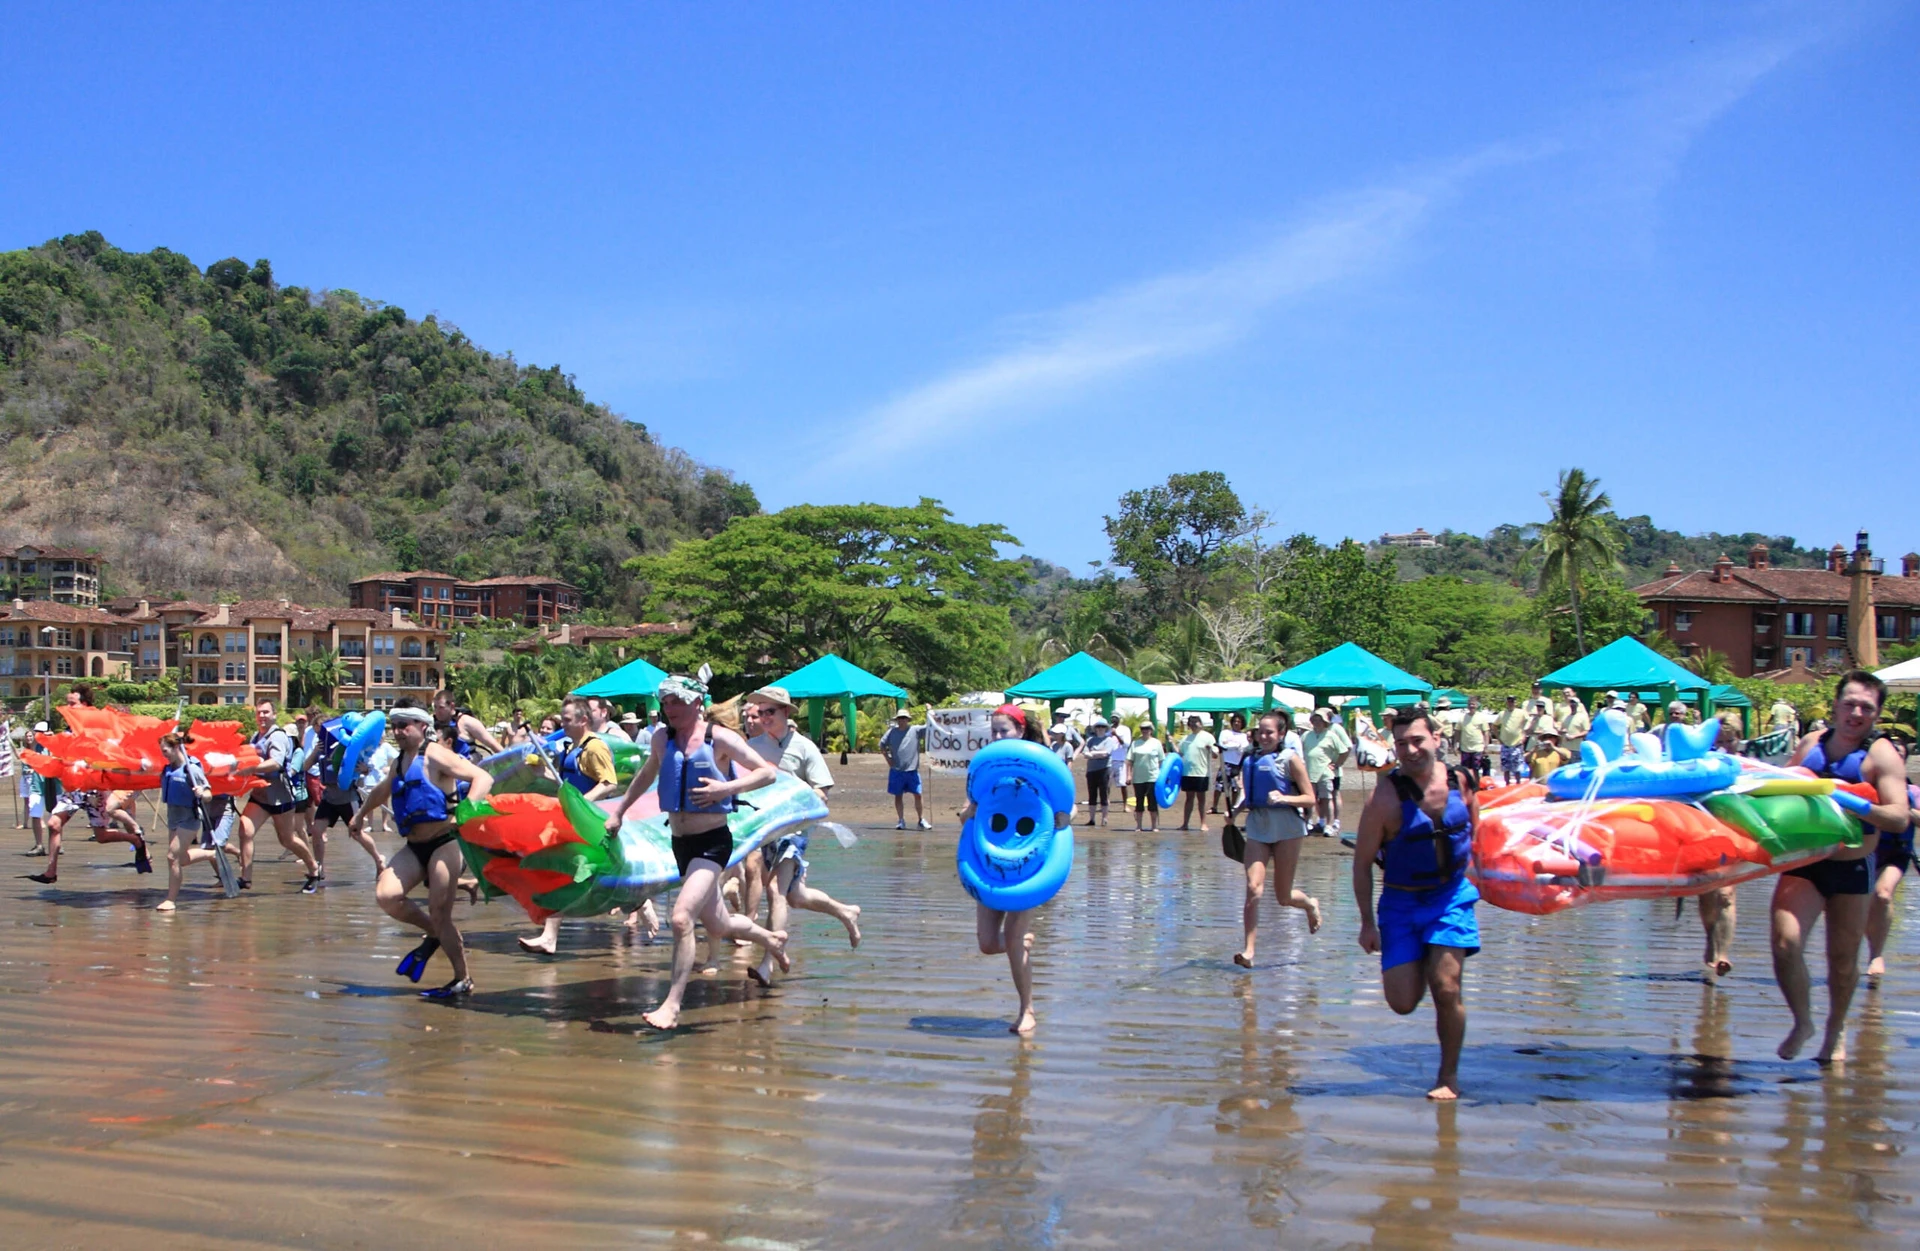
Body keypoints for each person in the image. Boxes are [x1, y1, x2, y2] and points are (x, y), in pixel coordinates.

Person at [604, 674, 788, 1030]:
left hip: (712, 842)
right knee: (718, 923)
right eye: (664, 702)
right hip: (680, 844)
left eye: (674, 701)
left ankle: (672, 1005)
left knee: (680, 917)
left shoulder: (718, 737)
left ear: (695, 703)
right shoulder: (662, 737)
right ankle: (772, 939)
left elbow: (767, 773)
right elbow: (646, 776)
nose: (667, 708)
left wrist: (726, 787)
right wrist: (620, 812)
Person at [1773, 671, 1910, 1063]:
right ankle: (1803, 1022)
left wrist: (1858, 804)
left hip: (1852, 868)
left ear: (1877, 714)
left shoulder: (1880, 755)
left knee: (1843, 959)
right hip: (1804, 862)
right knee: (1785, 944)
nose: (1855, 712)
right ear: (1835, 705)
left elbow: (1899, 818)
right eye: (1849, 703)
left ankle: (1835, 1031)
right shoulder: (1809, 745)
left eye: (1866, 707)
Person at [1352, 707, 1481, 1101]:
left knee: (1446, 988)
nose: (1410, 750)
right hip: (1401, 904)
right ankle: (1426, 956)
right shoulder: (1383, 800)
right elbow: (1360, 866)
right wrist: (1367, 924)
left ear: (1437, 739)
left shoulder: (1462, 781)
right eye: (1402, 743)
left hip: (1450, 898)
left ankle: (1448, 1077)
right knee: (1403, 1003)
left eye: (1417, 740)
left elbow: (1478, 834)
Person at [350, 698, 496, 999]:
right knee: (386, 896)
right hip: (415, 845)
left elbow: (483, 777)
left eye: (404, 725)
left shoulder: (436, 755)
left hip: (445, 842)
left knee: (441, 911)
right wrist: (360, 814)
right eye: (395, 726)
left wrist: (468, 809)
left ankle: (462, 979)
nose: (399, 731)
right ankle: (435, 933)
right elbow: (383, 790)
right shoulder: (399, 761)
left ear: (422, 726)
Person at [958, 704, 1068, 1034]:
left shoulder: (1040, 767)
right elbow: (966, 815)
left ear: (1020, 732)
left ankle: (1027, 1011)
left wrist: (1067, 819)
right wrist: (969, 811)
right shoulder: (988, 771)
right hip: (990, 864)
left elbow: (1067, 807)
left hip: (1030, 869)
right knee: (988, 944)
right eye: (993, 730)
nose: (997, 736)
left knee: (1015, 942)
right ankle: (1021, 941)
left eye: (1003, 730)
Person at [744, 685, 860, 985]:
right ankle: (845, 911)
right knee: (796, 896)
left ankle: (768, 962)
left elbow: (823, 791)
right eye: (761, 712)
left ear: (785, 712)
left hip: (794, 829)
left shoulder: (804, 747)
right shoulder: (752, 747)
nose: (764, 717)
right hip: (766, 830)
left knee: (776, 893)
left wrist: (804, 796)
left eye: (770, 711)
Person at [516, 697, 625, 955]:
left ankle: (642, 905)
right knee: (561, 873)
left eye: (566, 719)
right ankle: (549, 936)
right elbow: (565, 785)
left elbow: (609, 783)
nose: (561, 724)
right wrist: (540, 773)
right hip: (571, 820)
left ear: (583, 720)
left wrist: (581, 804)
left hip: (589, 821)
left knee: (575, 875)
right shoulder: (570, 747)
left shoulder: (594, 748)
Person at [1231, 709, 1321, 967]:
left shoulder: (1290, 759)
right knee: (1253, 889)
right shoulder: (1250, 759)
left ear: (1281, 733)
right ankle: (1249, 951)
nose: (1264, 736)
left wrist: (1285, 798)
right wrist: (1235, 812)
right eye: (1261, 731)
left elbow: (1310, 798)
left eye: (1270, 732)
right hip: (1258, 826)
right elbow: (1250, 796)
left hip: (1287, 828)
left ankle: (1310, 904)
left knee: (1283, 897)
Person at [236, 699, 322, 893]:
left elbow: (276, 763)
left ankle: (314, 869)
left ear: (274, 714)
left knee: (287, 839)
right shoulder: (255, 736)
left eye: (266, 712)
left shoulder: (278, 736)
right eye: (259, 712)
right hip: (260, 796)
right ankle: (245, 878)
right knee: (245, 830)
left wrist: (251, 768)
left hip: (280, 796)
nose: (262, 716)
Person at [305, 713, 384, 876]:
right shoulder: (320, 748)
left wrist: (364, 770)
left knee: (356, 833)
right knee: (317, 830)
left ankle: (378, 859)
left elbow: (367, 766)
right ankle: (318, 867)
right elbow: (305, 767)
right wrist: (314, 752)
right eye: (317, 732)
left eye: (321, 732)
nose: (320, 736)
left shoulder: (348, 744)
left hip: (347, 796)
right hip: (329, 795)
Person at [1866, 741, 1916, 981]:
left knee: (1883, 894)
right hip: (1866, 851)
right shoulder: (1865, 788)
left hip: (1896, 853)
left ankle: (1876, 955)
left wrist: (1902, 811)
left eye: (1899, 754)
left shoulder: (1913, 792)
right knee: (1858, 905)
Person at [155, 727, 220, 912]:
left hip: (189, 818)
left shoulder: (191, 769)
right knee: (181, 859)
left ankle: (171, 900)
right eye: (162, 751)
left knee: (172, 857)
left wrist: (202, 792)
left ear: (176, 748)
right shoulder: (167, 769)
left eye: (166, 751)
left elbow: (208, 794)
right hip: (173, 817)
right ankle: (210, 854)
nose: (164, 755)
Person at [1302, 709, 1352, 837]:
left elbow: (1345, 750)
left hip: (1325, 773)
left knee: (1327, 798)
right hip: (1308, 773)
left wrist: (1337, 764)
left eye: (1319, 719)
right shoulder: (1306, 735)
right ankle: (1307, 823)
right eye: (1314, 719)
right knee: (1309, 800)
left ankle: (1329, 825)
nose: (1316, 721)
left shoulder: (1331, 735)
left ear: (1325, 721)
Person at [880, 708, 928, 830]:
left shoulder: (915, 730)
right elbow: (882, 744)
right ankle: (901, 820)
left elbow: (930, 727)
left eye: (904, 718)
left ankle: (921, 819)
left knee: (918, 794)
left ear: (907, 720)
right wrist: (888, 758)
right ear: (897, 720)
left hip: (912, 770)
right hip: (897, 770)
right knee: (898, 795)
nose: (902, 721)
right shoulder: (892, 732)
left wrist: (929, 711)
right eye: (900, 718)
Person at [432, 690, 505, 761]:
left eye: (441, 707)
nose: (437, 711)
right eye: (435, 707)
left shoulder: (467, 722)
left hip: (468, 768)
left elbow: (495, 746)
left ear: (452, 706)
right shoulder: (431, 723)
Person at [1174, 716, 1217, 833]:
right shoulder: (1186, 738)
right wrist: (1171, 741)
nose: (1193, 725)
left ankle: (1203, 823)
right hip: (1187, 772)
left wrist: (1210, 749)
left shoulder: (1208, 737)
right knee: (1189, 798)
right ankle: (1185, 824)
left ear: (1200, 724)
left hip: (1202, 772)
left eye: (1195, 723)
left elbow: (1215, 755)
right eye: (1191, 724)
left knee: (1201, 799)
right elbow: (1179, 753)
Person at [1210, 713, 1250, 816]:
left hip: (1237, 764)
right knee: (1219, 786)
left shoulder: (1244, 736)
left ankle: (1233, 807)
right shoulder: (1225, 732)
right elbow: (1223, 745)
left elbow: (1243, 749)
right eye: (1235, 721)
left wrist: (1232, 745)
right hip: (1225, 762)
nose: (1237, 723)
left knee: (1235, 788)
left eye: (1239, 722)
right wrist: (1236, 746)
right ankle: (1214, 806)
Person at [1129, 723, 1165, 832]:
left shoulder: (1156, 743)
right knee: (1139, 802)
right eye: (1143, 729)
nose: (1145, 730)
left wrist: (1163, 777)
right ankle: (1139, 825)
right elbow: (1130, 760)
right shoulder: (1135, 743)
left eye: (1147, 729)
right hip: (1138, 778)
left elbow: (1161, 760)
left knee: (1152, 802)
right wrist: (1128, 775)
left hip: (1153, 777)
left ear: (1151, 730)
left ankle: (1154, 826)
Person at [1494, 695, 1528, 786]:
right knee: (1506, 768)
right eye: (1509, 701)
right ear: (1507, 702)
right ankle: (1507, 784)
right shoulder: (1502, 713)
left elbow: (1529, 723)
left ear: (1516, 702)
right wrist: (1498, 738)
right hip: (1505, 744)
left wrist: (1524, 735)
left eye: (1513, 701)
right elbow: (1494, 725)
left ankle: (1518, 784)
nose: (1511, 703)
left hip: (1517, 744)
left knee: (1517, 768)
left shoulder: (1522, 713)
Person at [1455, 696, 1491, 778]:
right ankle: (1467, 786)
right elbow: (1457, 732)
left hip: (1478, 747)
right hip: (1465, 748)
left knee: (1476, 769)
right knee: (1465, 769)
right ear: (1467, 706)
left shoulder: (1481, 717)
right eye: (1470, 704)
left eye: (1473, 704)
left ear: (1477, 705)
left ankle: (1476, 786)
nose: (1471, 706)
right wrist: (1455, 745)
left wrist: (1486, 746)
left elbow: (1486, 732)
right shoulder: (1462, 718)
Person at [1107, 718, 1133, 809]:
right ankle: (1106, 803)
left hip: (1120, 760)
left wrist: (1116, 734)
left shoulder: (1125, 729)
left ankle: (1125, 805)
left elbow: (1126, 744)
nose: (1114, 720)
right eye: (1112, 718)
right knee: (1106, 784)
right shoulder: (1108, 728)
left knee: (1123, 784)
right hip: (1108, 760)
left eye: (1116, 718)